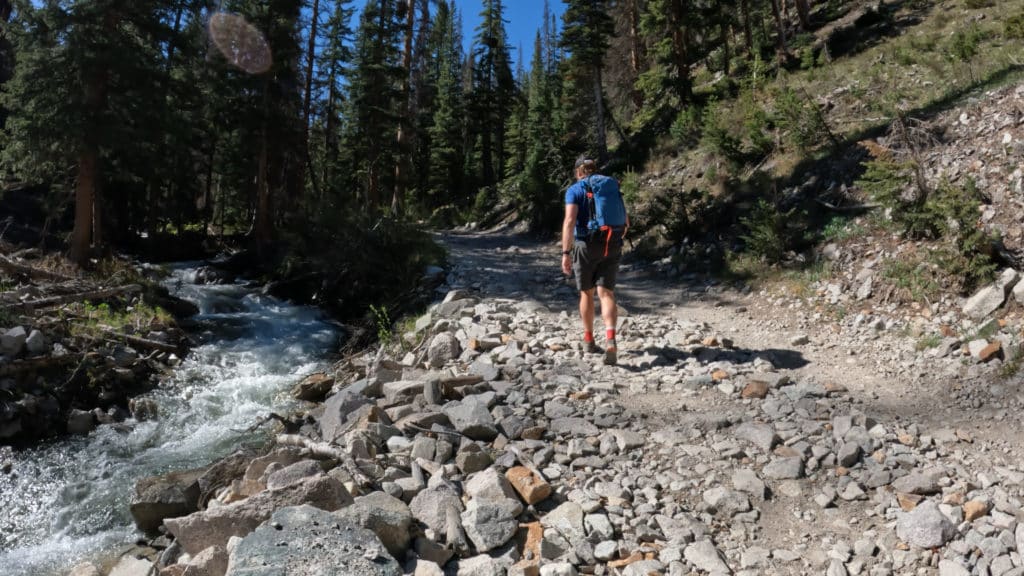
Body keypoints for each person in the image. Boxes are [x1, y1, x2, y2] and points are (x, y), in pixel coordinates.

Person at [560, 157, 629, 365]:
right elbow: (626, 222)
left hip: (585, 245)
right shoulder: (610, 186)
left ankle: (589, 340)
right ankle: (610, 339)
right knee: (607, 293)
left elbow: (570, 221)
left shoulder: (575, 190)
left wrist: (565, 252)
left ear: (578, 172)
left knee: (586, 293)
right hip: (612, 241)